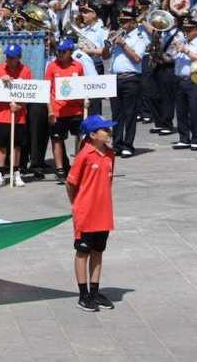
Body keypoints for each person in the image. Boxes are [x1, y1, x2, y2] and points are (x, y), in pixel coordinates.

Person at [65, 115, 117, 312]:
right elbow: (70, 183)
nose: (109, 132)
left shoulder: (111, 154)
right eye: (105, 129)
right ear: (93, 134)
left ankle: (95, 290)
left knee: (98, 251)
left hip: (103, 212)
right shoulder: (84, 155)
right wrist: (76, 205)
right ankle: (83, 294)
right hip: (85, 212)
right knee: (83, 252)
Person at [0, 44, 32, 188]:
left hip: (19, 115)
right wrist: (1, 81)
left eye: (12, 57)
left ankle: (16, 173)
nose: (9, 59)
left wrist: (20, 106)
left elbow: (29, 93)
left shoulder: (26, 71)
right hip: (2, 114)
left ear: (19, 58)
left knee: (17, 146)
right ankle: (0, 173)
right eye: (7, 56)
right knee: (1, 145)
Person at [108, 9, 148, 157]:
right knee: (116, 114)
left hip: (131, 78)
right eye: (121, 22)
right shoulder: (119, 36)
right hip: (115, 78)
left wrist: (123, 44)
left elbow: (137, 59)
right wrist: (109, 43)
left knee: (130, 114)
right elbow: (106, 56)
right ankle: (116, 144)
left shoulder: (140, 37)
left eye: (125, 22)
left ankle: (128, 145)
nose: (122, 25)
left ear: (133, 22)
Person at [45, 39, 85, 183]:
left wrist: (83, 103)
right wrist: (50, 111)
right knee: (57, 139)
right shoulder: (52, 66)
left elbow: (82, 87)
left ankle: (78, 166)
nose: (60, 54)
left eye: (63, 52)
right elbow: (47, 91)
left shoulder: (78, 67)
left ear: (70, 52)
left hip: (75, 110)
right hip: (57, 109)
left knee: (79, 137)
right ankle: (60, 169)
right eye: (58, 51)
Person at [171, 17, 197, 150]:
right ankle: (184, 138)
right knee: (181, 111)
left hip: (194, 79)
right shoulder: (181, 42)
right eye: (185, 29)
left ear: (196, 30)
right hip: (179, 79)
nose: (187, 32)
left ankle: (196, 139)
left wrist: (186, 51)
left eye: (190, 30)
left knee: (195, 111)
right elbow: (173, 59)